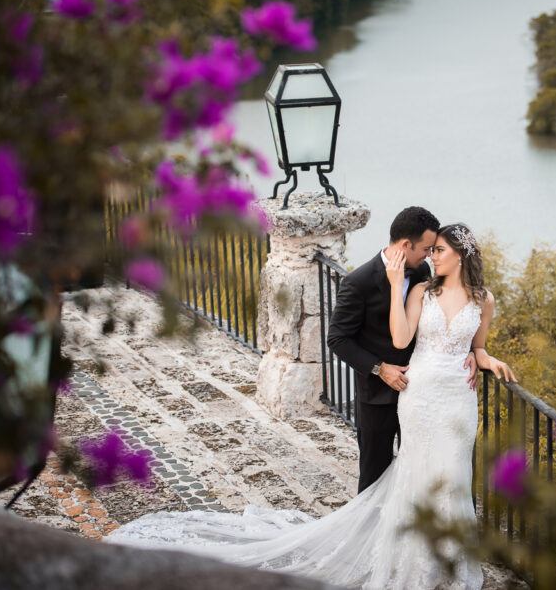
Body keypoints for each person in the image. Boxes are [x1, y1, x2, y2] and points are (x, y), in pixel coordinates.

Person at [108, 223, 516, 590]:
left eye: (439, 250)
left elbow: (476, 347)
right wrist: (395, 286)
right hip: (421, 395)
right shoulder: (423, 290)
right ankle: (412, 557)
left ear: (460, 255)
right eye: (431, 249)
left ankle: (450, 557)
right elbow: (399, 337)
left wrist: (489, 360)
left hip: (458, 401)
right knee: (417, 471)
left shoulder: (484, 299)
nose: (432, 256)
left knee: (454, 474)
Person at [327, 206, 476, 492]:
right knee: (374, 474)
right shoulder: (357, 283)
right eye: (426, 248)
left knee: (422, 471)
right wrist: (379, 369)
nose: (430, 256)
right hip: (378, 396)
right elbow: (338, 338)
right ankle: (369, 535)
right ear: (406, 244)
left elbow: (454, 313)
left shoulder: (420, 270)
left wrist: (469, 349)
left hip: (424, 393)